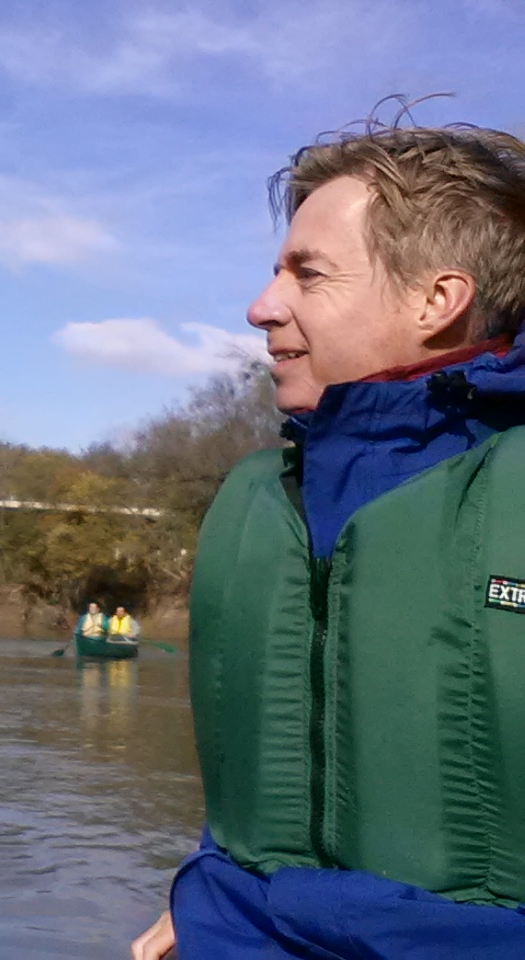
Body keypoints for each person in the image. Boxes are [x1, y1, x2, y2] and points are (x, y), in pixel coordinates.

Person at [132, 120, 525, 959]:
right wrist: (207, 886)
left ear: (437, 300)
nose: (260, 306)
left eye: (306, 274)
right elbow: (279, 742)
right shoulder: (257, 494)